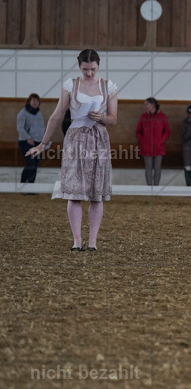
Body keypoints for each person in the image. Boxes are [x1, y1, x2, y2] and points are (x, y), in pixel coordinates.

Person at [26, 49, 118, 251]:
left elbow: (113, 119)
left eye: (93, 69)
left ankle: (92, 242)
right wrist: (43, 144)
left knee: (96, 193)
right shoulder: (70, 85)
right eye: (85, 69)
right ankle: (77, 241)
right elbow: (57, 116)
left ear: (98, 66)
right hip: (75, 140)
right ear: (79, 66)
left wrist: (101, 117)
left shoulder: (108, 86)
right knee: (73, 192)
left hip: (99, 139)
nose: (89, 73)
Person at [136, 97, 169, 186]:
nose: (145, 106)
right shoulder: (143, 117)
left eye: (147, 104)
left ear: (153, 104)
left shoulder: (162, 116)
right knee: (148, 167)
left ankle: (156, 186)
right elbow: (138, 131)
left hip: (159, 147)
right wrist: (143, 141)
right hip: (146, 147)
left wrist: (161, 141)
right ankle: (149, 186)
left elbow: (167, 131)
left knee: (157, 167)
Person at [17, 93, 45, 183]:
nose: (35, 102)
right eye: (33, 100)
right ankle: (23, 183)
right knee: (30, 164)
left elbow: (41, 127)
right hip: (26, 142)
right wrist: (28, 138)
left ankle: (31, 185)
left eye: (37, 101)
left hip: (37, 142)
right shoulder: (23, 113)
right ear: (29, 101)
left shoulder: (39, 113)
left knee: (35, 165)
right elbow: (20, 128)